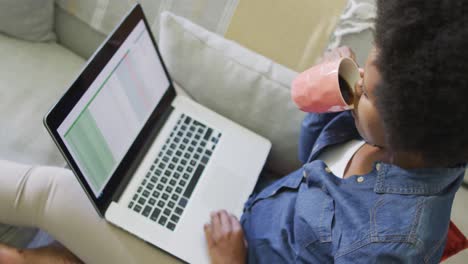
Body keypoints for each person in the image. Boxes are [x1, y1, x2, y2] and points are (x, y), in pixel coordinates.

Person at [1, 0, 467, 263]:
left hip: (230, 258)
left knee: (54, 192)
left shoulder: (385, 247)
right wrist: (330, 102)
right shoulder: (398, 138)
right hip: (248, 207)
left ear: (408, 129)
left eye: (365, 91)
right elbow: (315, 166)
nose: (357, 82)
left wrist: (231, 262)